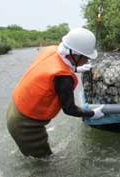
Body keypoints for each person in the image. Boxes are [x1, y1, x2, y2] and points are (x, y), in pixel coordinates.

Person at [6, 27, 104, 158]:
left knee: (34, 157)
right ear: (74, 54)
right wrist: (92, 113)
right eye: (85, 57)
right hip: (26, 126)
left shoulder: (51, 50)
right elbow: (69, 109)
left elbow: (53, 69)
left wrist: (75, 68)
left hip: (15, 108)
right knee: (43, 164)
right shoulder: (64, 79)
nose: (87, 61)